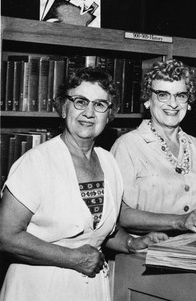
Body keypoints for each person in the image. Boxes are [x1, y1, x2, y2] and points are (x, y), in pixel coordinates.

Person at [0, 68, 167, 300]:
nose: (89, 113)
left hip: (92, 287)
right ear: (63, 107)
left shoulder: (108, 162)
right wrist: (72, 258)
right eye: (80, 101)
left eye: (99, 105)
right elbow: (5, 235)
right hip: (38, 287)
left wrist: (131, 242)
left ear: (109, 115)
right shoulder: (36, 162)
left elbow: (99, 230)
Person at [111, 60, 196, 236]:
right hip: (144, 251)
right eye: (163, 95)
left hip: (192, 246)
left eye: (180, 95)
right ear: (147, 99)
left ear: (188, 102)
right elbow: (120, 215)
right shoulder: (127, 146)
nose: (173, 104)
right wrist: (179, 221)